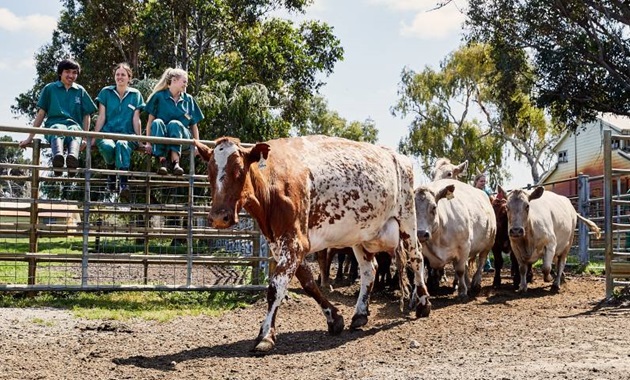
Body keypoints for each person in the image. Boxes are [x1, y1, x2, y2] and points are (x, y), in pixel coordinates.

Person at [19, 59, 97, 176]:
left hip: (74, 126)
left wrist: (85, 138)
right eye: (68, 71)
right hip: (54, 124)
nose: (71, 75)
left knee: (75, 132)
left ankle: (72, 160)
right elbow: (41, 114)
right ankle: (58, 160)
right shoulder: (50, 89)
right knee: (56, 129)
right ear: (60, 73)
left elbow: (87, 115)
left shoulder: (80, 91)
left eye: (74, 72)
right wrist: (30, 138)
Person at [93, 63, 145, 199]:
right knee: (107, 146)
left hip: (127, 134)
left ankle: (123, 183)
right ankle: (111, 174)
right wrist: (93, 137)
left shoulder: (136, 95)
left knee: (122, 144)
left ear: (129, 78)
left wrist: (139, 140)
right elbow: (102, 116)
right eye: (117, 74)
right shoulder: (106, 92)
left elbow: (136, 119)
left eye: (123, 75)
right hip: (108, 132)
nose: (120, 77)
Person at [143, 68, 203, 176]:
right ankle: (163, 162)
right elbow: (150, 122)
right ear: (174, 80)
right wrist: (148, 143)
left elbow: (194, 125)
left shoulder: (188, 100)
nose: (186, 85)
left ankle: (176, 163)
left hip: (182, 138)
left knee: (174, 124)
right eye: (184, 81)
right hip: (162, 136)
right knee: (157, 122)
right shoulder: (159, 97)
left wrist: (197, 145)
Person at [473, 172, 495, 273]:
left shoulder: (486, 192)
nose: (483, 183)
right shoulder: (471, 192)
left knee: (486, 243)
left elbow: (492, 201)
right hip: (474, 219)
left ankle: (486, 265)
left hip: (485, 219)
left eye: (484, 181)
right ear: (476, 181)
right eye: (481, 181)